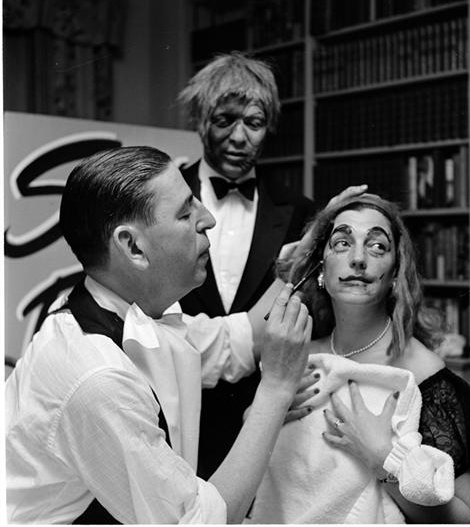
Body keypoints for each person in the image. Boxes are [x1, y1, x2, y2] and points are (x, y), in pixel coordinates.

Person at [5, 146, 314, 524]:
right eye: (186, 213)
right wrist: (277, 389)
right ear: (133, 246)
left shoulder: (125, 311)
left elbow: (235, 338)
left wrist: (301, 263)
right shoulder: (97, 378)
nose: (209, 219)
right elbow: (199, 521)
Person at [248, 193, 470, 524]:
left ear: (395, 273)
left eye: (377, 247)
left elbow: (467, 520)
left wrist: (383, 459)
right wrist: (261, 415)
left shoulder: (428, 380)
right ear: (321, 267)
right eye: (342, 243)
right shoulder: (295, 358)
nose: (358, 259)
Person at [177, 51, 317, 478]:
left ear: (268, 126)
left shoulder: (298, 211)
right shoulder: (160, 199)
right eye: (225, 121)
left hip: (262, 419)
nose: (239, 137)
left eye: (253, 123)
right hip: (174, 413)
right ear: (201, 120)